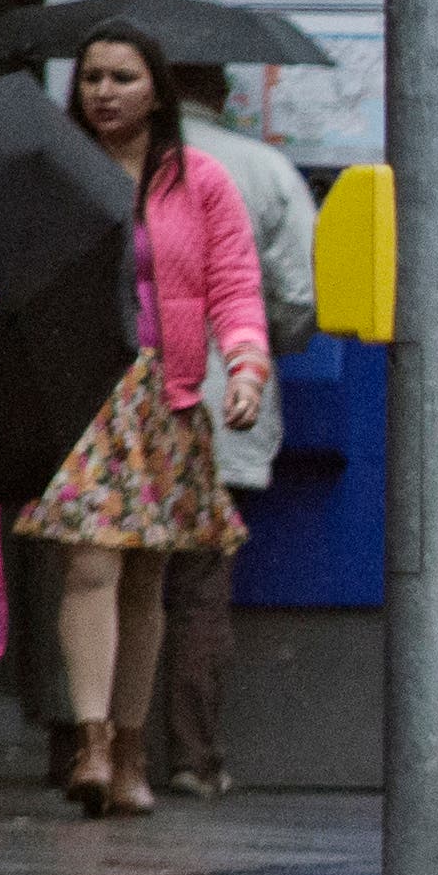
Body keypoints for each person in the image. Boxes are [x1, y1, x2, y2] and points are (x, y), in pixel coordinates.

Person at [15, 25, 272, 818]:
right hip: (83, 390)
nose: (103, 92)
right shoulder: (51, 175)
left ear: (157, 89)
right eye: (90, 76)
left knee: (147, 579)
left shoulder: (200, 181)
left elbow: (234, 282)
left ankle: (131, 748)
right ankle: (91, 741)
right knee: (90, 565)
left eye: (123, 77)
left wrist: (249, 365)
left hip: (170, 393)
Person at [157, 62, 318, 800]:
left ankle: (88, 748)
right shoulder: (264, 167)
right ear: (222, 94)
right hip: (225, 404)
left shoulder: (110, 163)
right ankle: (194, 757)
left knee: (100, 580)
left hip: (116, 406)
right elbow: (296, 301)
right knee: (198, 589)